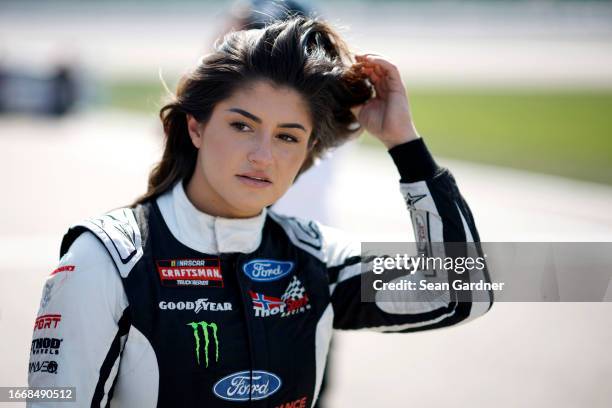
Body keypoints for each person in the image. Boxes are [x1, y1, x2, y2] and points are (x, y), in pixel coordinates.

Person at [28, 17, 492, 407]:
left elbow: (463, 291)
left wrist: (405, 146)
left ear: (309, 150)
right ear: (196, 127)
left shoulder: (318, 260)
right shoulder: (106, 261)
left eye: (287, 136)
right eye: (242, 126)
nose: (262, 156)